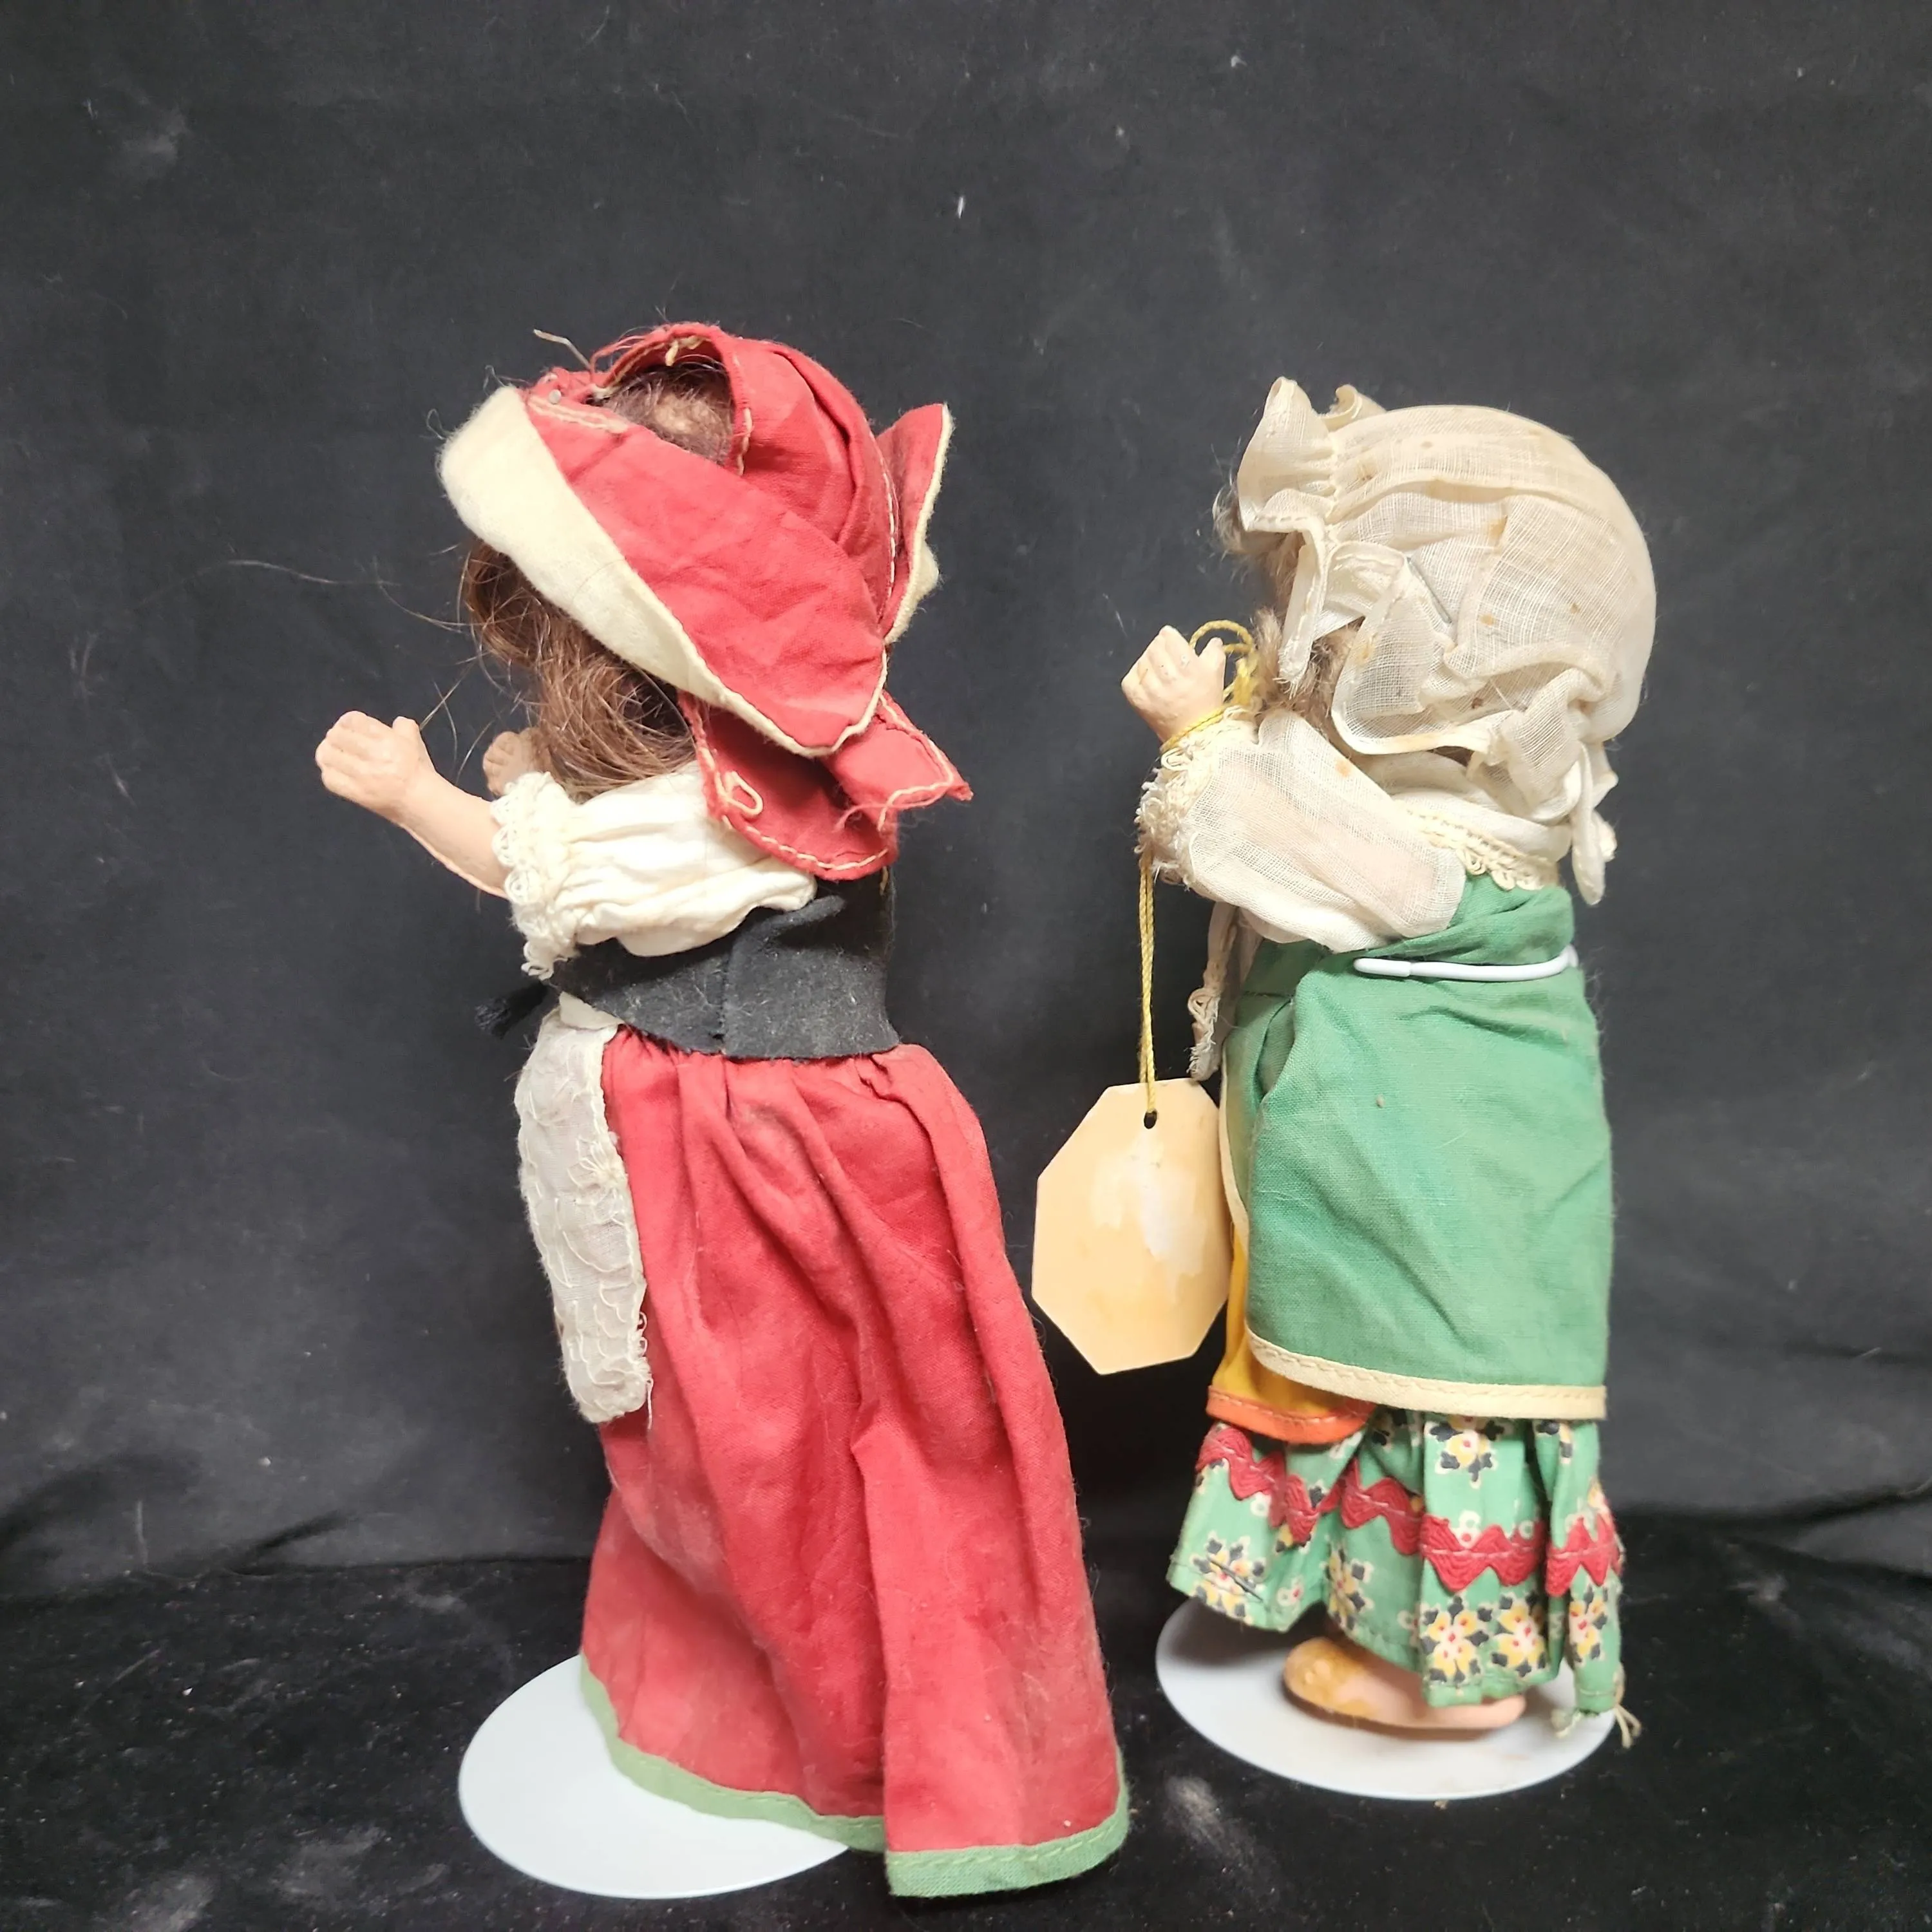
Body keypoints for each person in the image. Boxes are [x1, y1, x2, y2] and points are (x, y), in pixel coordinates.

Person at [317, 323, 1125, 1893]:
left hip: (770, 1164)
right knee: (702, 1457)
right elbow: (591, 856)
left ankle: (843, 1738)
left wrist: (420, 798)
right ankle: (722, 1697)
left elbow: (573, 878)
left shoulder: (750, 801)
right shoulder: (711, 762)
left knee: (787, 1460)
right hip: (702, 1138)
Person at [1121, 379, 1649, 1734]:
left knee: (1428, 1403)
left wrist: (1198, 740)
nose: (1297, 641)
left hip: (1431, 1214)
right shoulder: (1488, 806)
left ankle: (1447, 1679)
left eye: (1329, 619)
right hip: (1445, 1202)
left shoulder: (1434, 841)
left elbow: (1286, 845)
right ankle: (1406, 1629)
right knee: (1404, 1403)